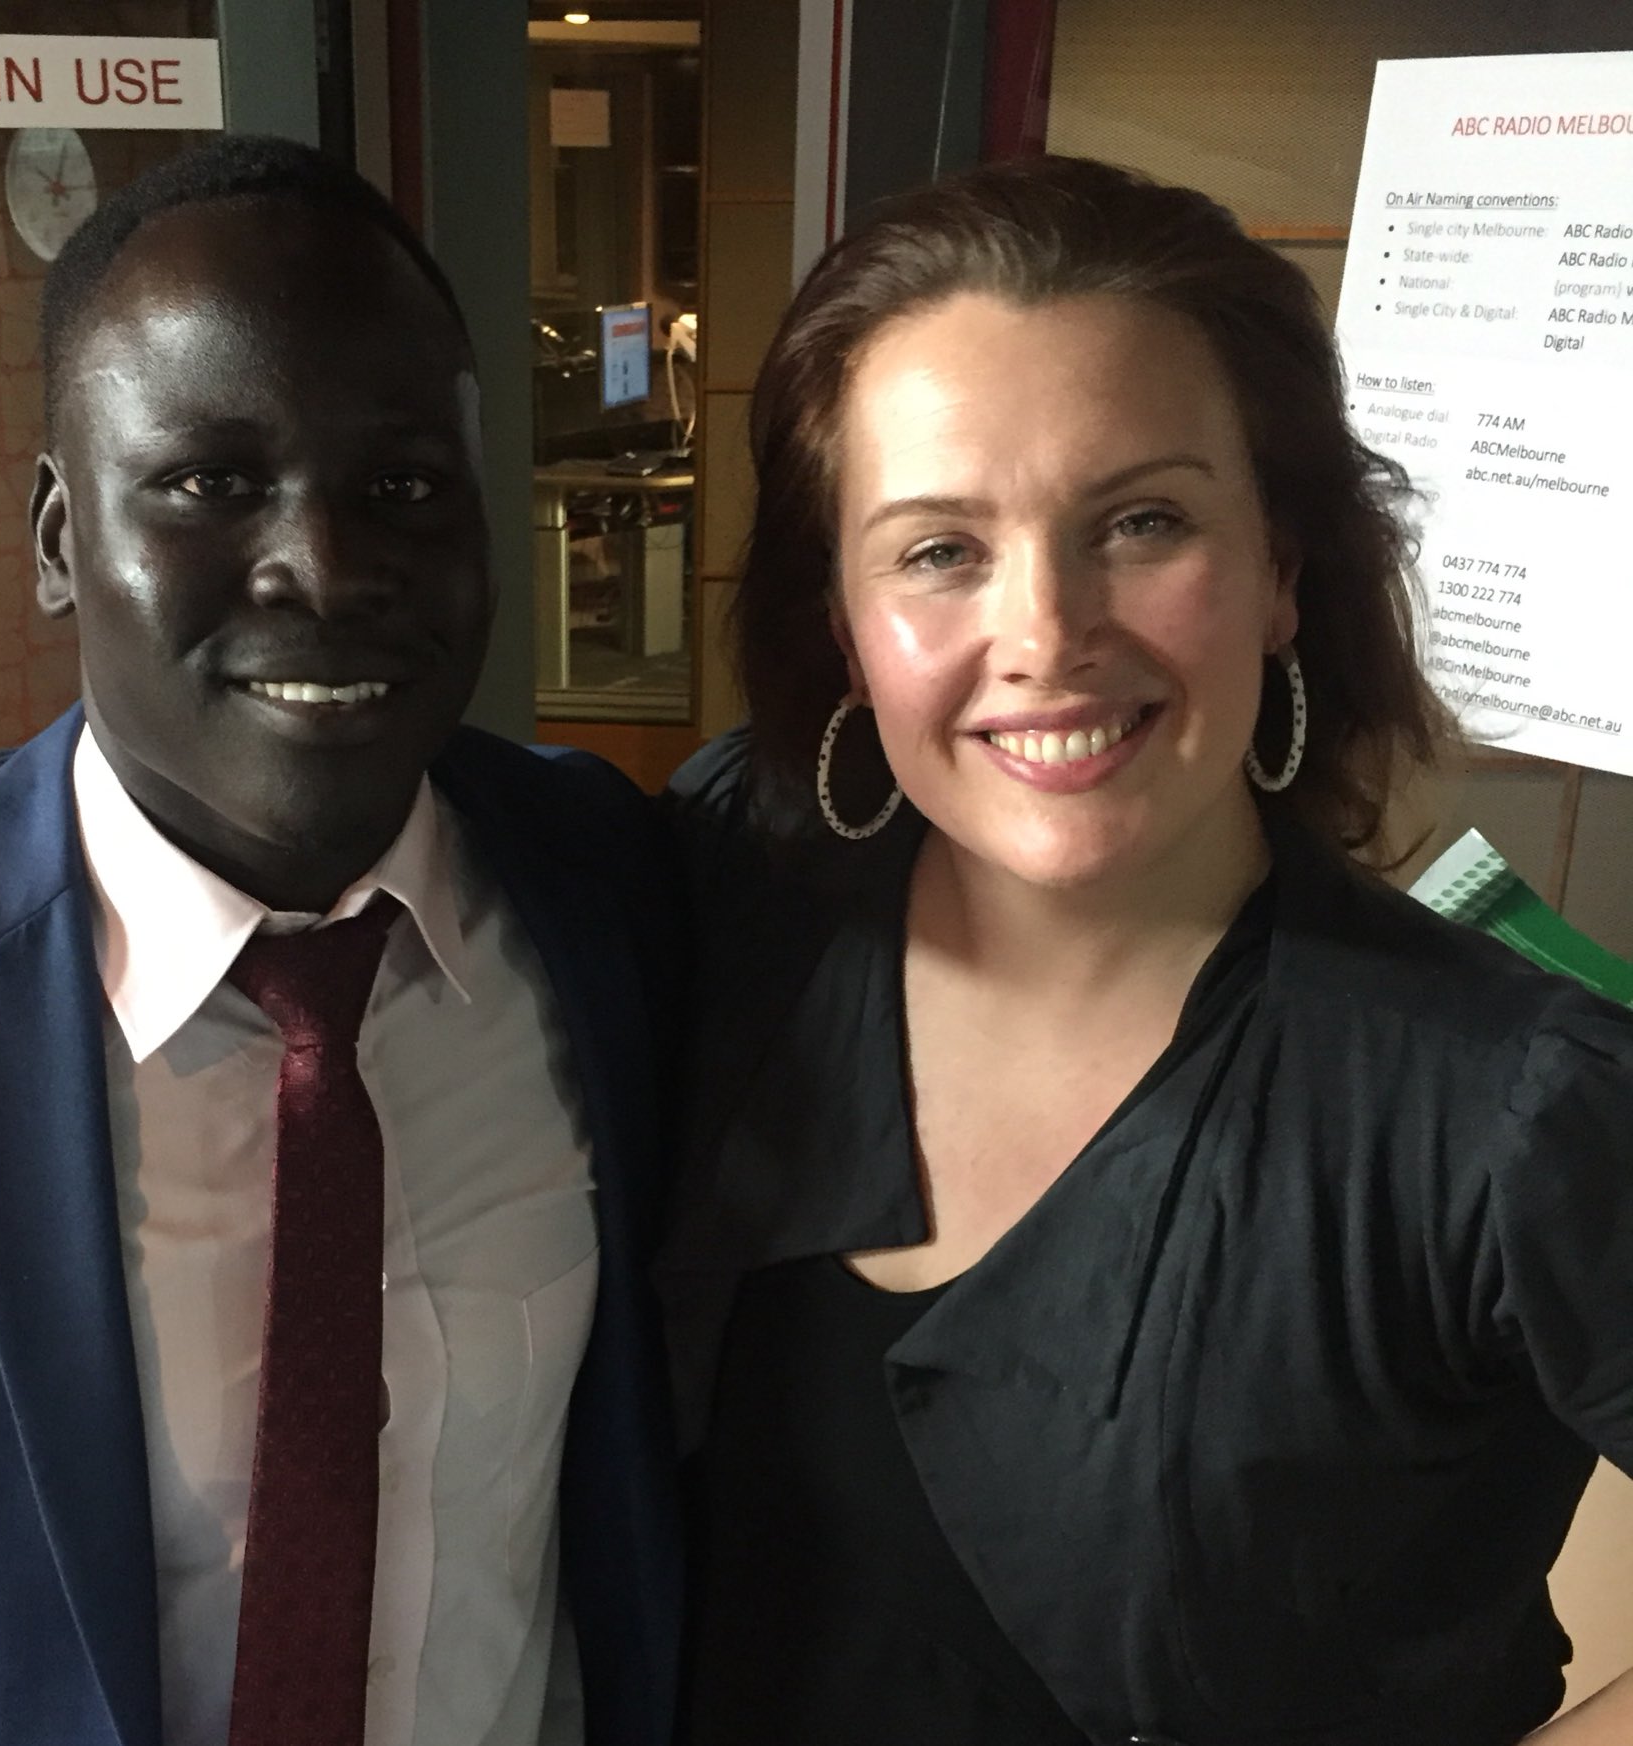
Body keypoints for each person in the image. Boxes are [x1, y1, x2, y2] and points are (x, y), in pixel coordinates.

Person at [0, 136, 679, 1746]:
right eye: (211, 483)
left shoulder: (616, 888)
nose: (323, 566)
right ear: (56, 537)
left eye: (403, 487)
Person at [662, 156, 1633, 1746]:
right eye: (938, 549)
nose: (1048, 633)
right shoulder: (736, 895)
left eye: (1144, 522)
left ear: (1280, 572)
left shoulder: (1506, 1104)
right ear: (841, 618)